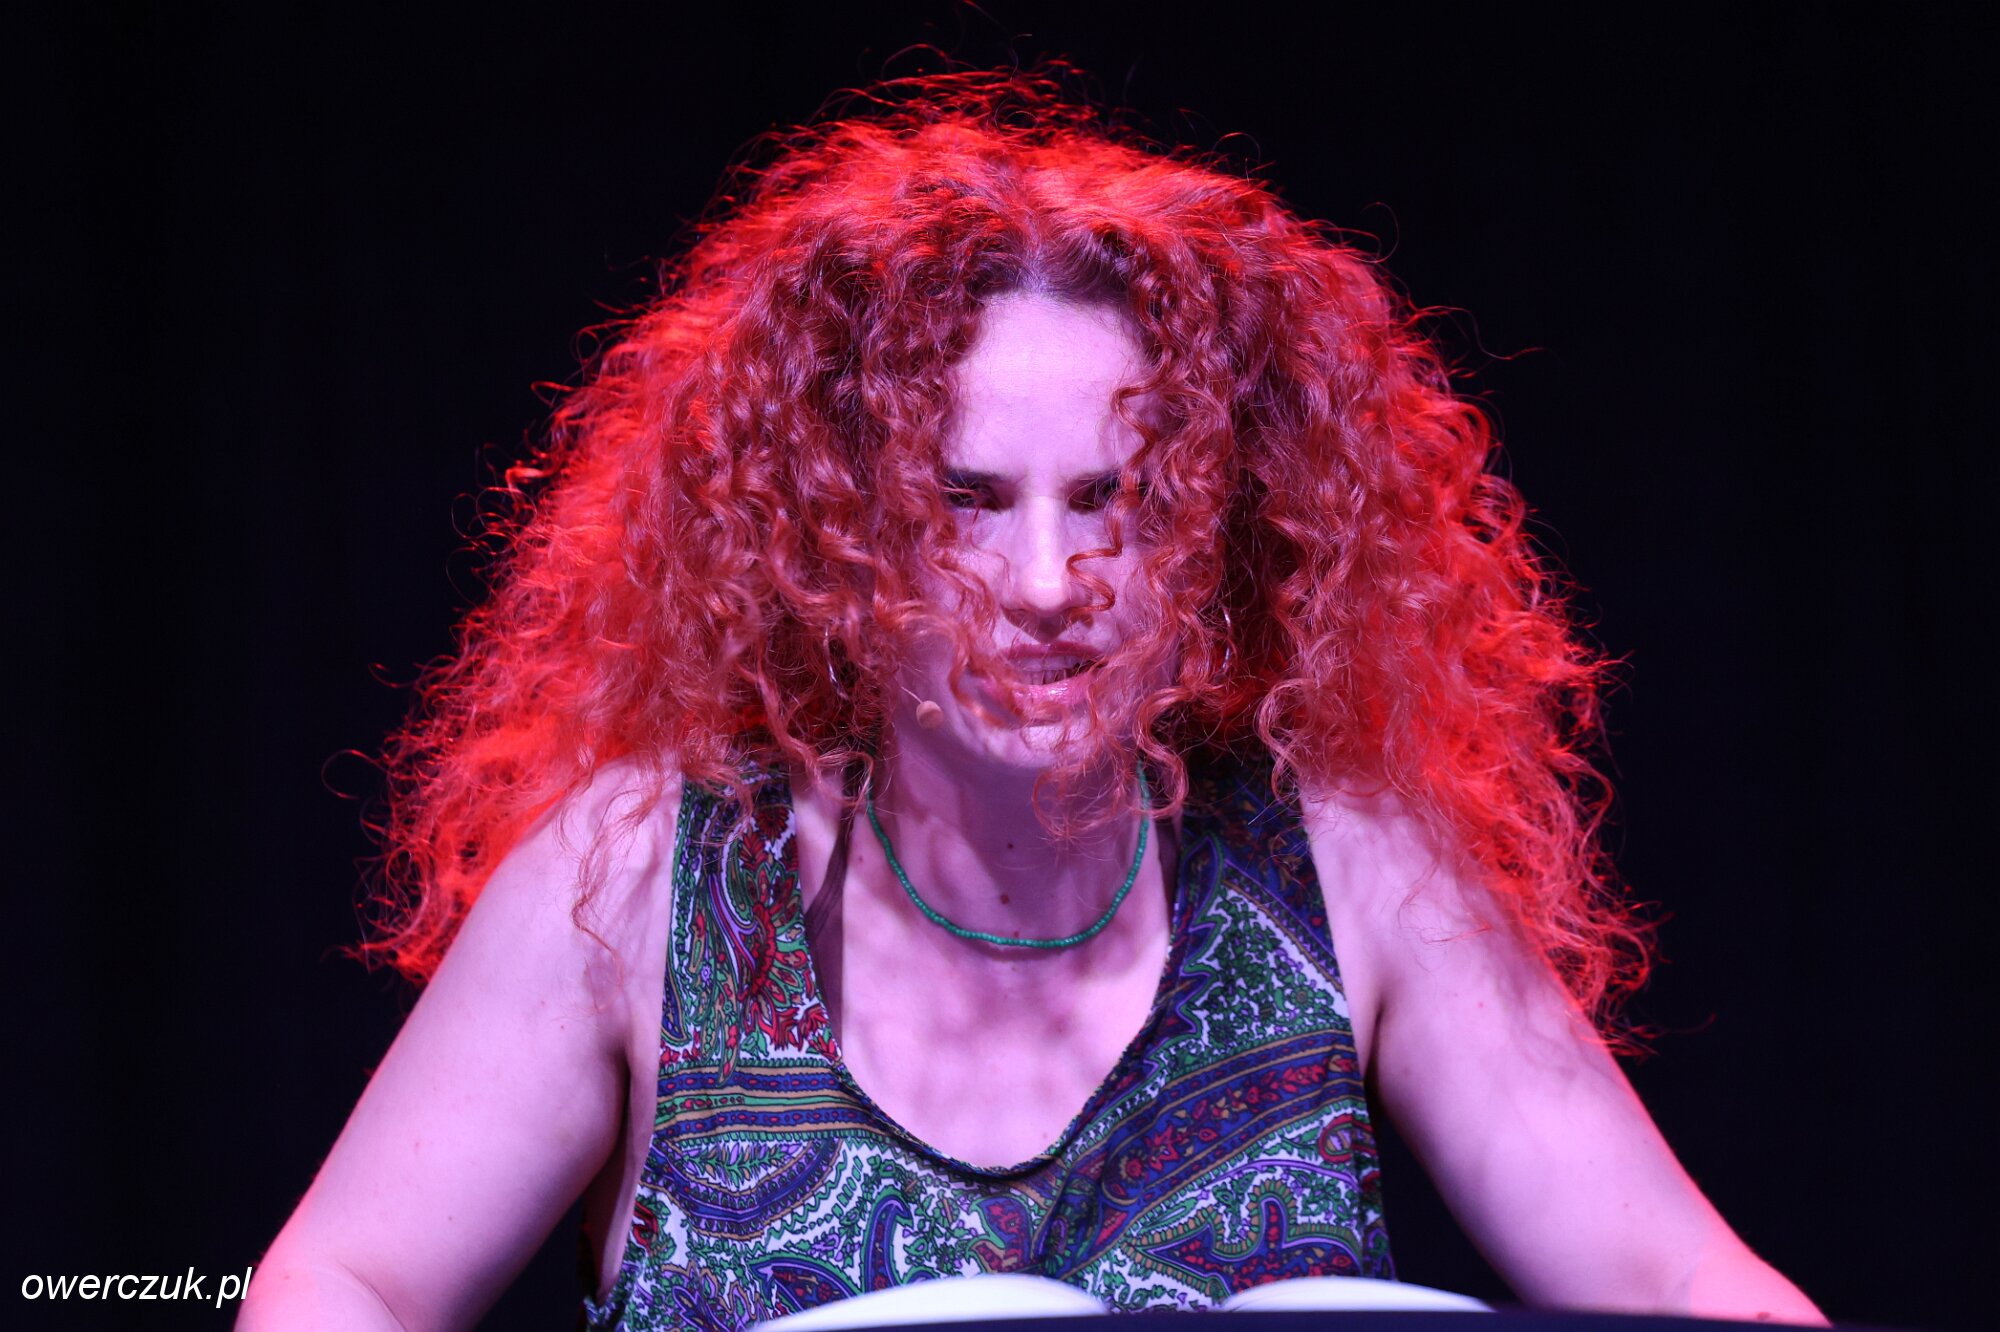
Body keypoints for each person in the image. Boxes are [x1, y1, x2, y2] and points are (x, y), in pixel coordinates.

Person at [239, 74, 1825, 1330]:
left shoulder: (1348, 869)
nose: (1052, 581)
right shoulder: (645, 880)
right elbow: (342, 1283)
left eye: (1115, 499)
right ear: (835, 524)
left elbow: (1692, 1284)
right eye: (969, 501)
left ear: (1210, 520)